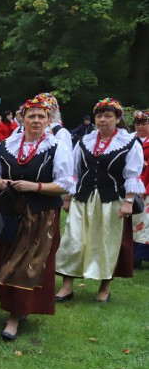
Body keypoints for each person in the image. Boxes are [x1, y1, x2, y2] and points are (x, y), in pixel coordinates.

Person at [0, 94, 74, 341]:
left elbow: (66, 184)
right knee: (5, 260)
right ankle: (16, 307)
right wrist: (0, 182)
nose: (36, 120)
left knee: (25, 265)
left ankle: (15, 318)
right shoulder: (6, 145)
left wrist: (35, 187)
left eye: (41, 116)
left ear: (49, 120)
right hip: (9, 212)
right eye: (32, 116)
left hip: (40, 214)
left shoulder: (56, 147)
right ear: (22, 119)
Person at [55, 98, 145, 302]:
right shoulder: (85, 140)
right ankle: (67, 286)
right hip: (83, 197)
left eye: (108, 116)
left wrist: (128, 201)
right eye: (99, 116)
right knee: (74, 239)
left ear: (118, 118)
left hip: (111, 199)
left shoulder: (128, 142)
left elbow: (133, 174)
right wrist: (67, 198)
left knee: (106, 242)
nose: (102, 120)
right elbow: (75, 171)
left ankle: (104, 287)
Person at [131, 110, 149, 266]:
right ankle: (133, 254)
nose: (140, 126)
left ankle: (139, 256)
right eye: (137, 123)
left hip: (147, 186)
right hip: (133, 185)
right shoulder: (130, 139)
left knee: (145, 222)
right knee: (133, 220)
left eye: (144, 123)